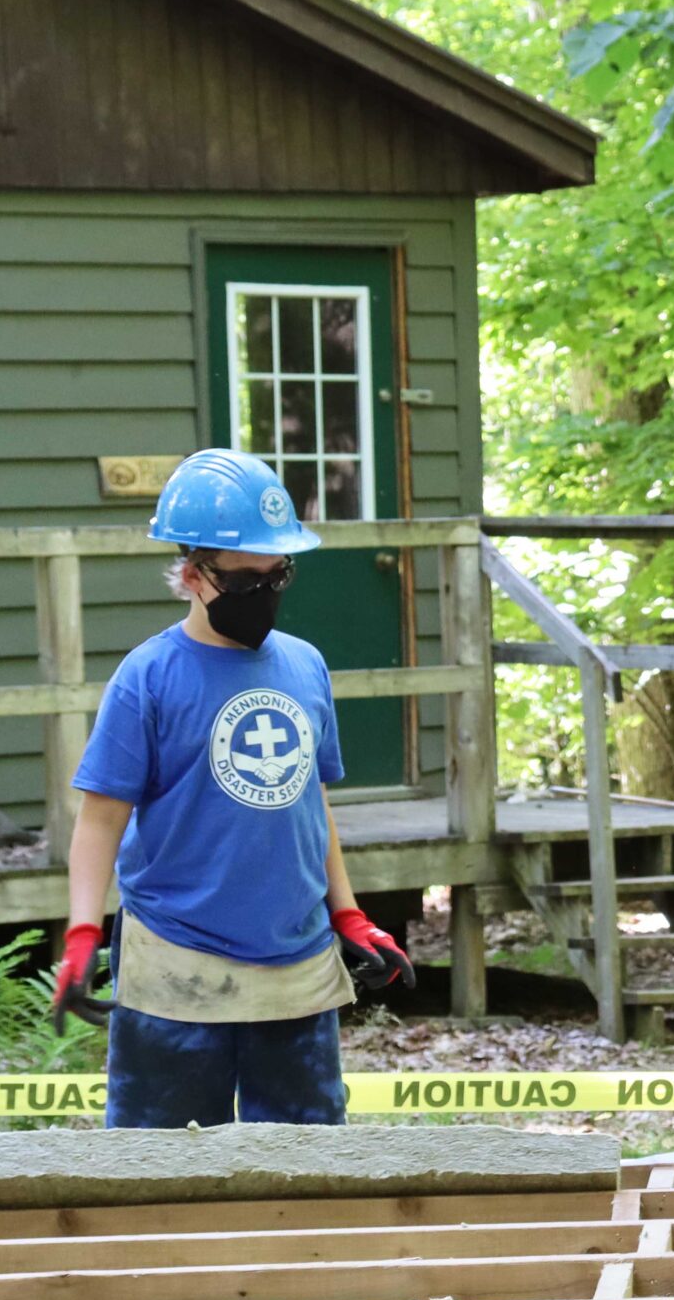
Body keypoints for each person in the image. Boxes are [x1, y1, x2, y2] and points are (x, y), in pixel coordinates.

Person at [48, 448, 415, 1128]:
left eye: (278, 576)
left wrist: (350, 915)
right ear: (192, 575)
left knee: (303, 1184)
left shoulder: (305, 666)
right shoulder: (148, 677)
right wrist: (79, 932)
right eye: (246, 581)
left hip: (297, 973)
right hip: (175, 970)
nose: (265, 594)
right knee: (159, 1184)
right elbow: (98, 820)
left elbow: (311, 802)